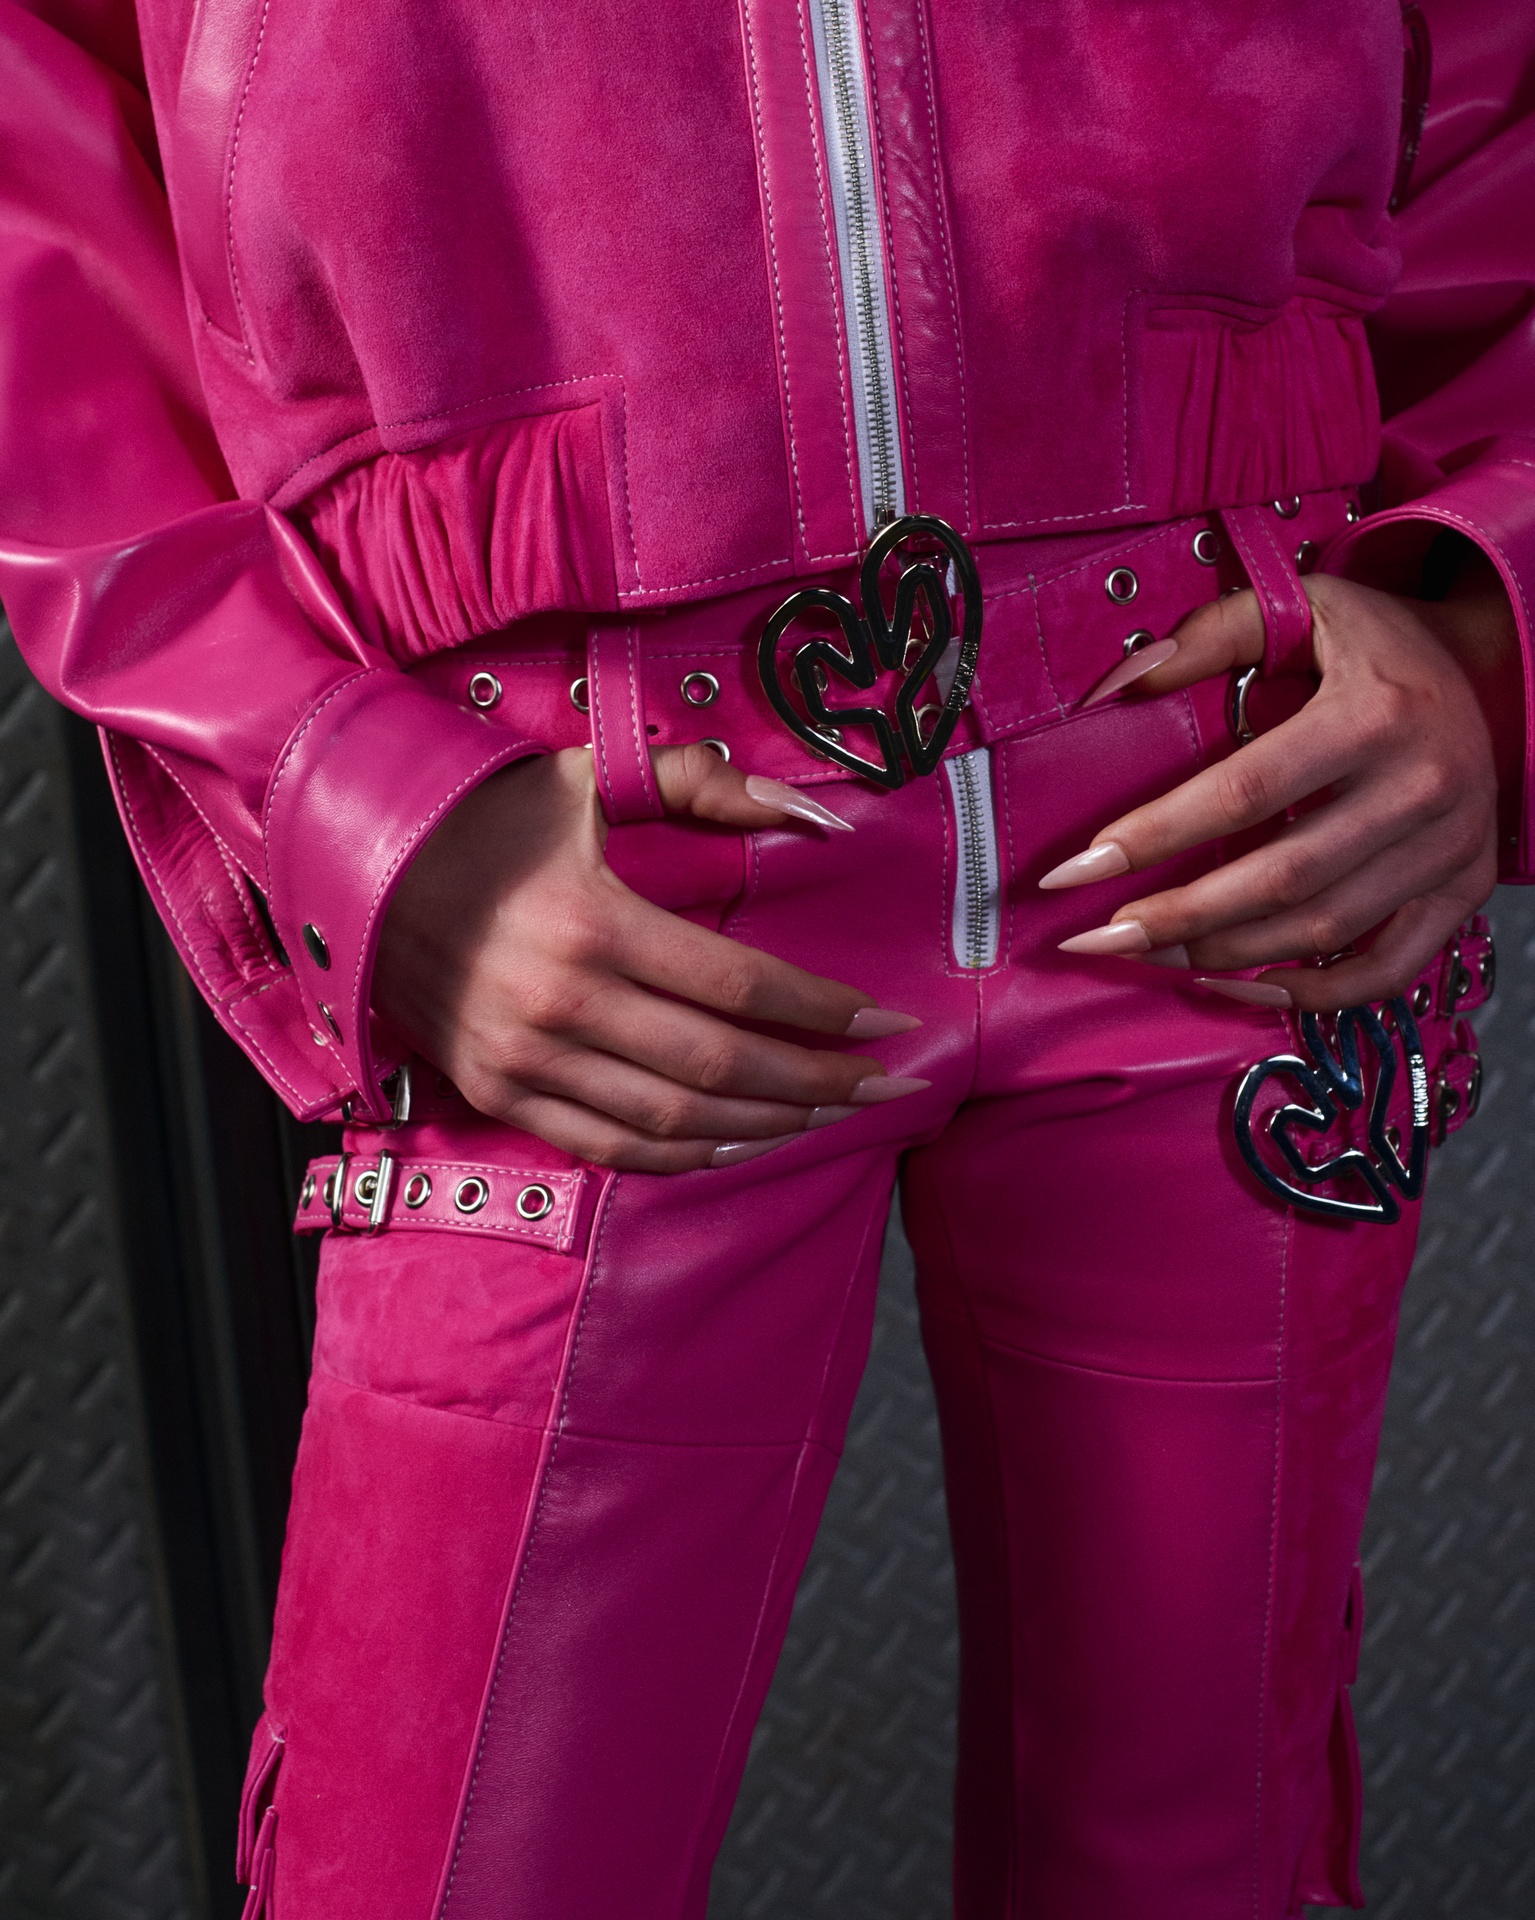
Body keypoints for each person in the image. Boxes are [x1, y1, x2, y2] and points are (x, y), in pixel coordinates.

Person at [1, 1, 1531, 1914]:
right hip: (571, 865)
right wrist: (346, 795)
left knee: (1198, 1858)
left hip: (1236, 804)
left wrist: (1482, 614)